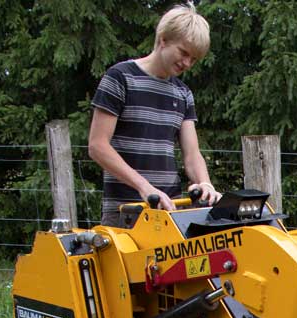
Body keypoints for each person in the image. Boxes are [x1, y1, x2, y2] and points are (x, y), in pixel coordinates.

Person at [88, 2, 222, 225]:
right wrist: (145, 187)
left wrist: (206, 183)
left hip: (170, 213)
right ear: (163, 39)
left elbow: (192, 154)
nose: (187, 63)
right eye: (184, 53)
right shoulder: (120, 78)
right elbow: (97, 146)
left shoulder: (183, 93)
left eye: (194, 59)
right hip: (125, 214)